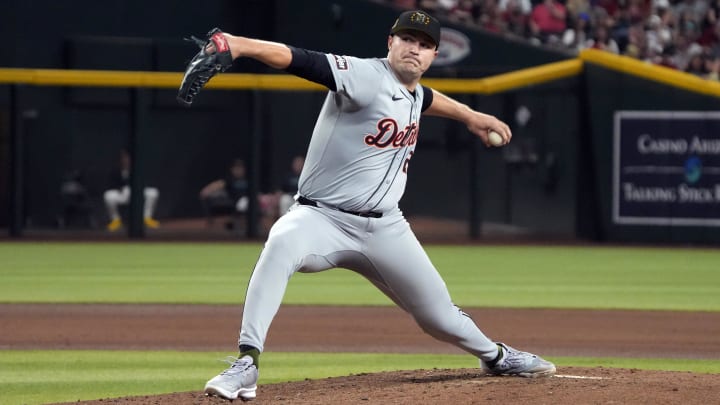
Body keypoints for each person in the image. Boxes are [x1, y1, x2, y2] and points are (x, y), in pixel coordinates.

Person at [195, 10, 556, 401]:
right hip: (321, 218)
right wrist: (238, 44)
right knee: (281, 241)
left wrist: (469, 115)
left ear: (434, 55)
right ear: (390, 42)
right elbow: (300, 59)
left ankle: (496, 356)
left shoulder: (414, 91)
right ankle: (247, 363)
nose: (414, 50)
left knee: (439, 317)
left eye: (424, 45)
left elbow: (426, 99)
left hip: (387, 229)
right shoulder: (364, 76)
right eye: (407, 40)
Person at [103, 149, 159, 231]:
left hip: (137, 193)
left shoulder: (138, 169)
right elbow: (111, 184)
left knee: (153, 192)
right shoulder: (116, 170)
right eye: (124, 158)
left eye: (127, 158)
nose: (125, 160)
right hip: (122, 194)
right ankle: (115, 220)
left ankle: (147, 218)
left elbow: (143, 182)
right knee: (108, 195)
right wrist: (119, 188)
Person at [199, 158, 250, 224]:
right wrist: (206, 190)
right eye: (236, 168)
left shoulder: (248, 180)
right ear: (232, 169)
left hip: (249, 202)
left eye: (240, 168)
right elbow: (218, 184)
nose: (238, 170)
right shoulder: (230, 180)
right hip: (236, 203)